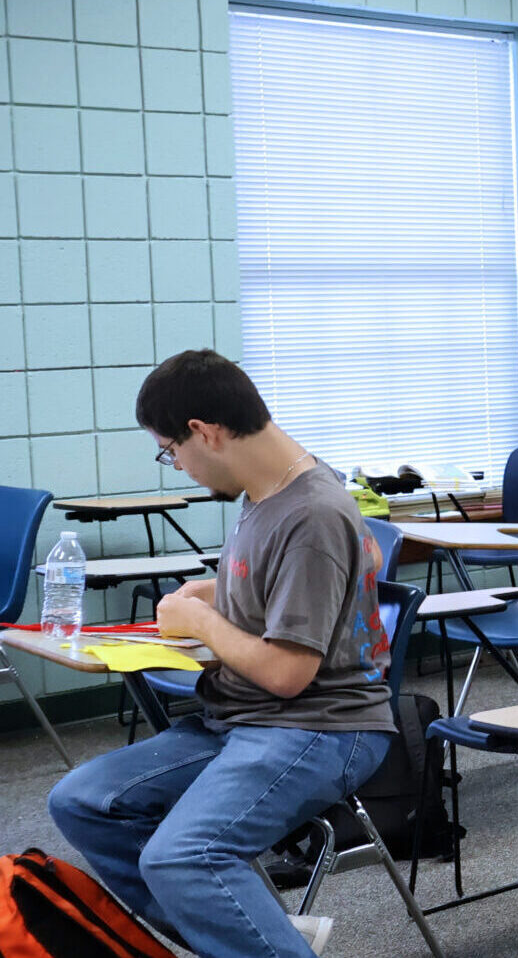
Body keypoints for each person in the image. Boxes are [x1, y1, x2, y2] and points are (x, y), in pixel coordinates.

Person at [48, 349, 391, 958]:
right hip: (239, 717)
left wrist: (202, 618)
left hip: (320, 726)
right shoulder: (265, 490)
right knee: (81, 801)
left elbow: (288, 675)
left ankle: (254, 937)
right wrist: (222, 591)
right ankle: (251, 932)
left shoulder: (311, 509)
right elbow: (340, 568)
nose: (175, 465)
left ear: (204, 432)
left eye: (170, 450)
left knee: (184, 856)